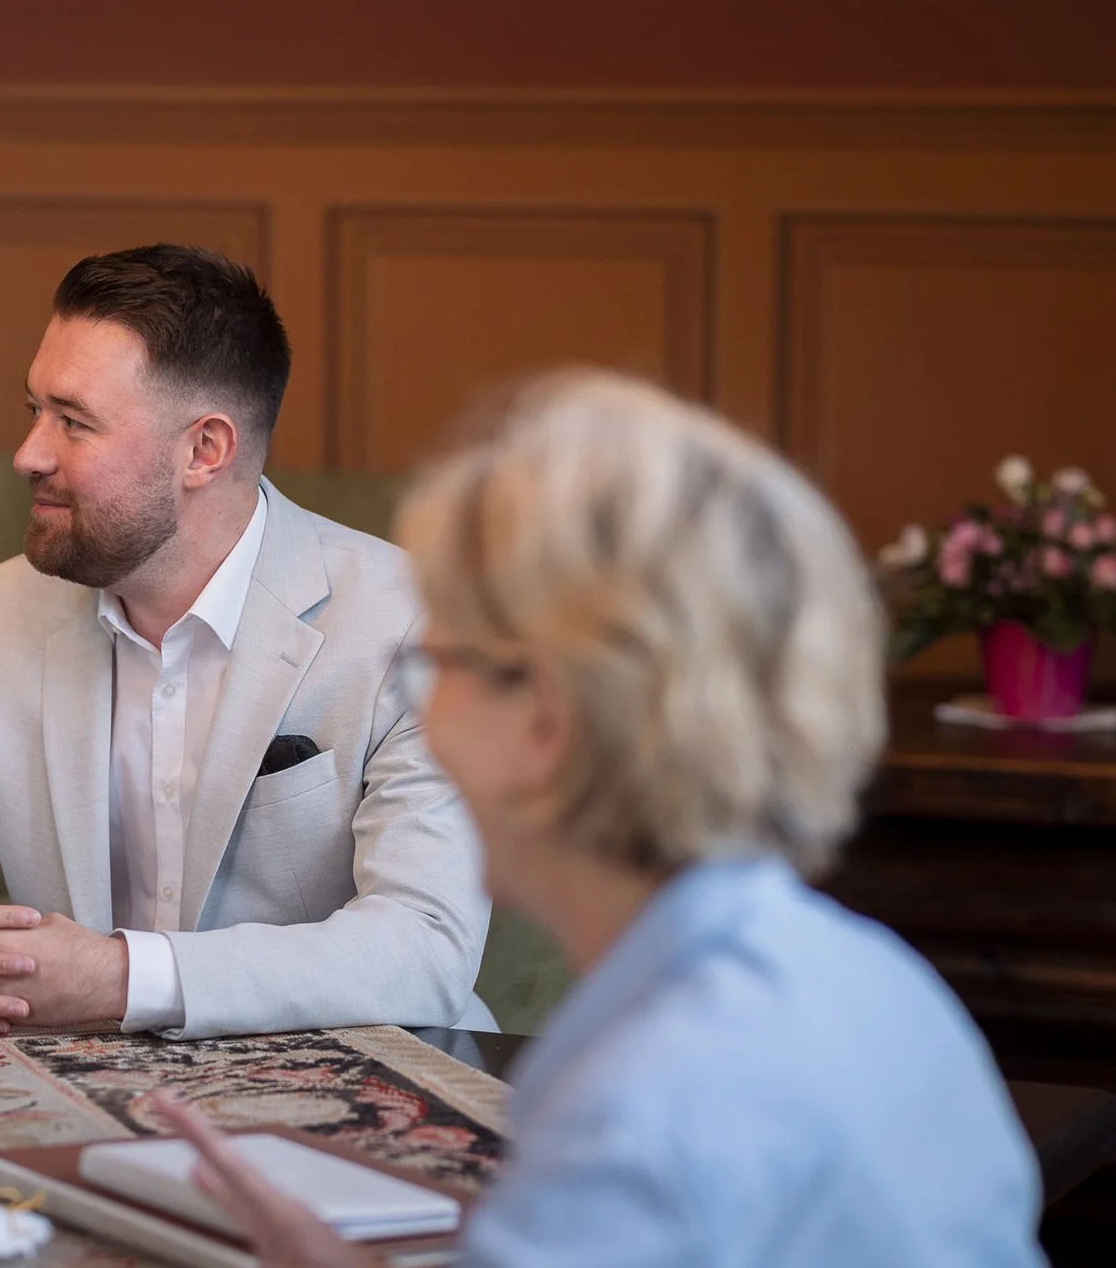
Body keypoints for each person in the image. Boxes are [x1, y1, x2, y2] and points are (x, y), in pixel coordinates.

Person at [156, 370, 1044, 1264]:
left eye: (440, 659)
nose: (418, 705)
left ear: (547, 722)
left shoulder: (646, 1110)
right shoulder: (874, 974)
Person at [0, 244, 494, 1040]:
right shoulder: (0, 614)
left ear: (204, 451)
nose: (28, 454)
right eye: (33, 411)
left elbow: (424, 948)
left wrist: (115, 978)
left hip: (366, 1109)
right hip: (75, 1106)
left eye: (74, 422)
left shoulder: (414, 623)